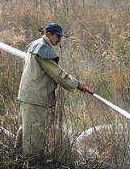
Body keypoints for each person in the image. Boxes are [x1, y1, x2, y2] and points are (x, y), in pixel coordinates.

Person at [15, 23, 92, 159]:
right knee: (34, 133)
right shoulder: (43, 49)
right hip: (35, 97)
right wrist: (78, 85)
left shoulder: (35, 45)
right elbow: (57, 74)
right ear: (49, 34)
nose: (59, 40)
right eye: (58, 37)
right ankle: (32, 164)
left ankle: (19, 160)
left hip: (29, 96)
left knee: (26, 129)